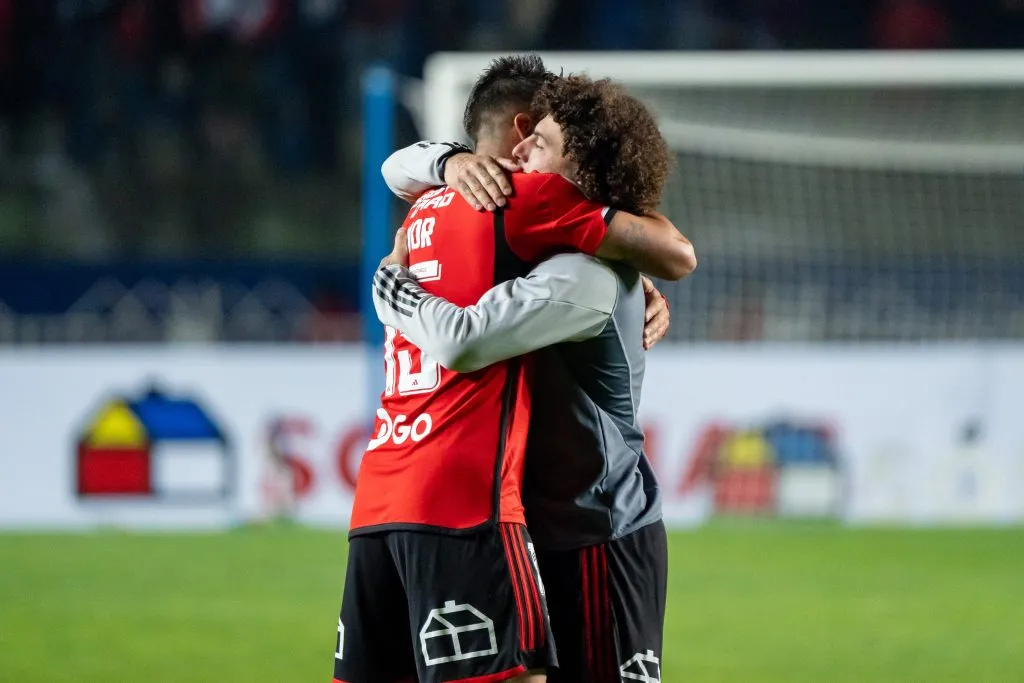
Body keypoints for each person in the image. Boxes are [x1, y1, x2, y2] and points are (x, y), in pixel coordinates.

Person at [334, 56, 692, 683]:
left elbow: (463, 337)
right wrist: (448, 161)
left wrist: (391, 286)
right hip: (527, 521)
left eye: (544, 144)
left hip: (596, 527)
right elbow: (400, 168)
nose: (524, 152)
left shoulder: (582, 269)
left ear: (575, 171)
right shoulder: (528, 242)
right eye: (527, 137)